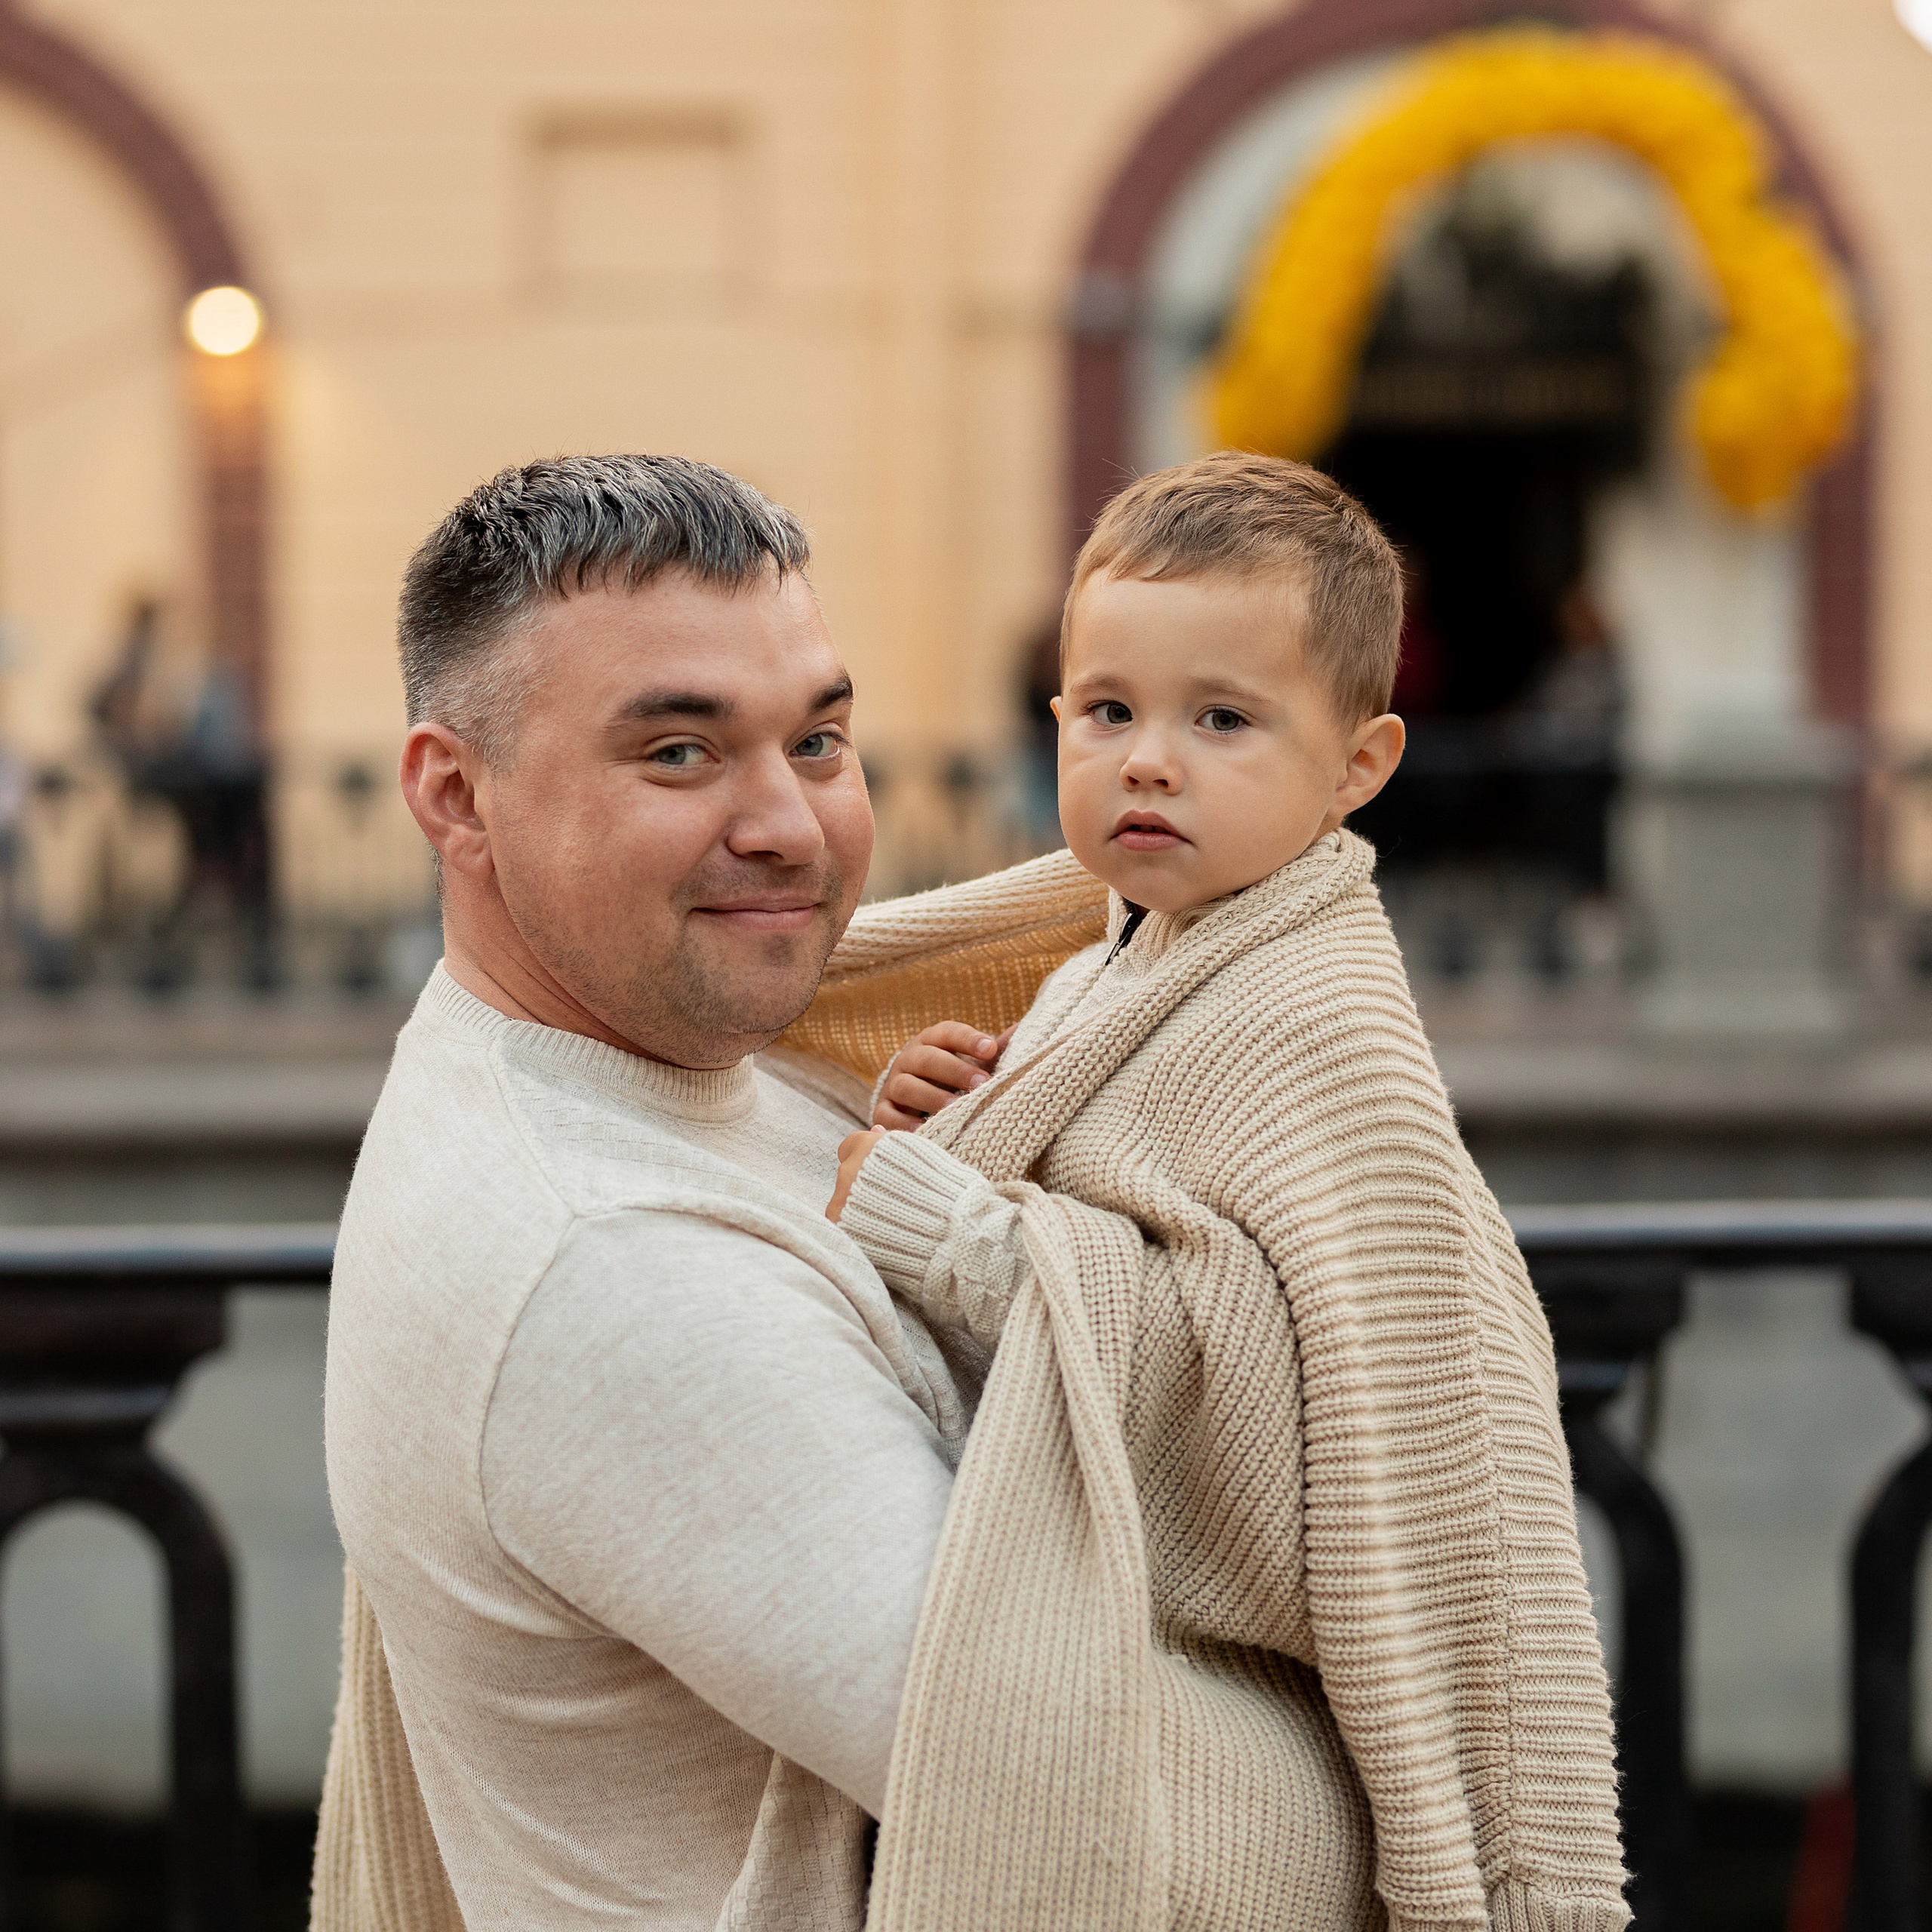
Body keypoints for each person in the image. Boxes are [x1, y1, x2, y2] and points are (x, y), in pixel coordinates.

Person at [811, 451, 1629, 1929]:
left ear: (1357, 765)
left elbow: (1280, 1386)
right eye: (1106, 710)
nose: (1145, 760)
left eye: (1221, 720)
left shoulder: (1312, 1013)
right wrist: (952, 1115)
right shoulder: (1110, 961)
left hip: (1211, 1730)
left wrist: (942, 1223)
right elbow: (1097, 1194)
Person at [317, 454, 985, 1928]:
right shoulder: (604, 1257)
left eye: (817, 739)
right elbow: (1093, 1788)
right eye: (679, 753)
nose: (790, 826)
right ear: (453, 792)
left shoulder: (698, 1069)